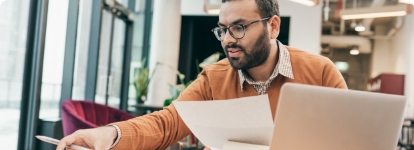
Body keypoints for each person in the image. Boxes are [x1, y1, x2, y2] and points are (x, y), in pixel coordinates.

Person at [57, 0, 347, 149]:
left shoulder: (320, 72)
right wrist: (109, 134)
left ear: (272, 26)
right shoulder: (214, 77)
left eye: (239, 27)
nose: (227, 39)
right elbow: (167, 123)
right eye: (223, 28)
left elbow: (347, 140)